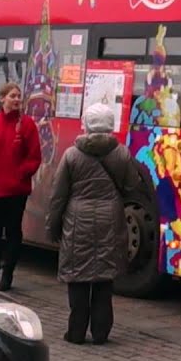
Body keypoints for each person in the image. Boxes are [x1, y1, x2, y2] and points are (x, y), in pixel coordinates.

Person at [46, 103, 143, 345]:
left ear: (87, 124)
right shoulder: (121, 153)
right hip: (110, 219)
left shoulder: (71, 154)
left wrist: (53, 227)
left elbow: (58, 196)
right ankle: (101, 333)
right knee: (103, 279)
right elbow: (133, 187)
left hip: (77, 220)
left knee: (78, 278)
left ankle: (76, 332)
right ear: (110, 125)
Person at [0, 82, 42, 290]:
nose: (16, 100)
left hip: (16, 190)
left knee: (13, 232)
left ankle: (8, 273)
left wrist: (21, 174)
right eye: (12, 96)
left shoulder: (27, 125)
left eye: (19, 96)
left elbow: (34, 157)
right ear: (2, 99)